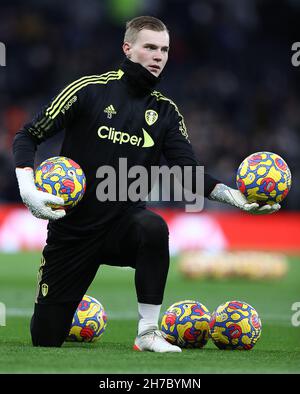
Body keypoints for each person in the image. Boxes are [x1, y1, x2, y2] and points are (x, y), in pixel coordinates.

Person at [13, 16, 280, 352]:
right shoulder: (89, 90)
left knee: (153, 228)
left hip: (121, 227)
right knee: (45, 340)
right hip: (72, 233)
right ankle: (67, 312)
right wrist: (27, 187)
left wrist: (234, 198)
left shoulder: (165, 113)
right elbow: (28, 135)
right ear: (128, 48)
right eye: (150, 47)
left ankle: (148, 331)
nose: (158, 56)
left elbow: (187, 171)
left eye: (164, 49)